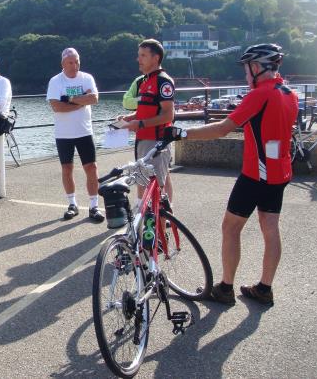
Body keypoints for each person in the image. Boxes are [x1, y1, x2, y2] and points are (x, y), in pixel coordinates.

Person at [167, 44, 298, 307]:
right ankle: (265, 288)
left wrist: (181, 133)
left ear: (258, 67)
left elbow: (223, 129)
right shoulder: (289, 93)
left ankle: (225, 288)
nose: (246, 74)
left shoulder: (259, 95)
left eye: (247, 68)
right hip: (280, 170)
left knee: (230, 227)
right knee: (270, 227)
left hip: (256, 174)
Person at [46, 47, 105, 222]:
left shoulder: (87, 78)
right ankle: (72, 204)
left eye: (77, 61)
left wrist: (70, 99)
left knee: (91, 168)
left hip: (84, 131)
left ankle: (94, 206)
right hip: (63, 134)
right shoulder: (56, 81)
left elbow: (94, 99)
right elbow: (57, 107)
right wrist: (81, 101)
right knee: (67, 168)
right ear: (63, 64)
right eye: (70, 62)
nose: (74, 65)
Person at [115, 39, 175, 204]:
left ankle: (161, 225)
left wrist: (140, 124)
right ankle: (141, 225)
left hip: (156, 142)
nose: (138, 59)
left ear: (155, 58)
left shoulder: (163, 81)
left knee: (155, 190)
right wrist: (130, 118)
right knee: (142, 183)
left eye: (143, 55)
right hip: (143, 141)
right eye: (138, 55)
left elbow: (168, 115)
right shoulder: (145, 81)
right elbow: (147, 110)